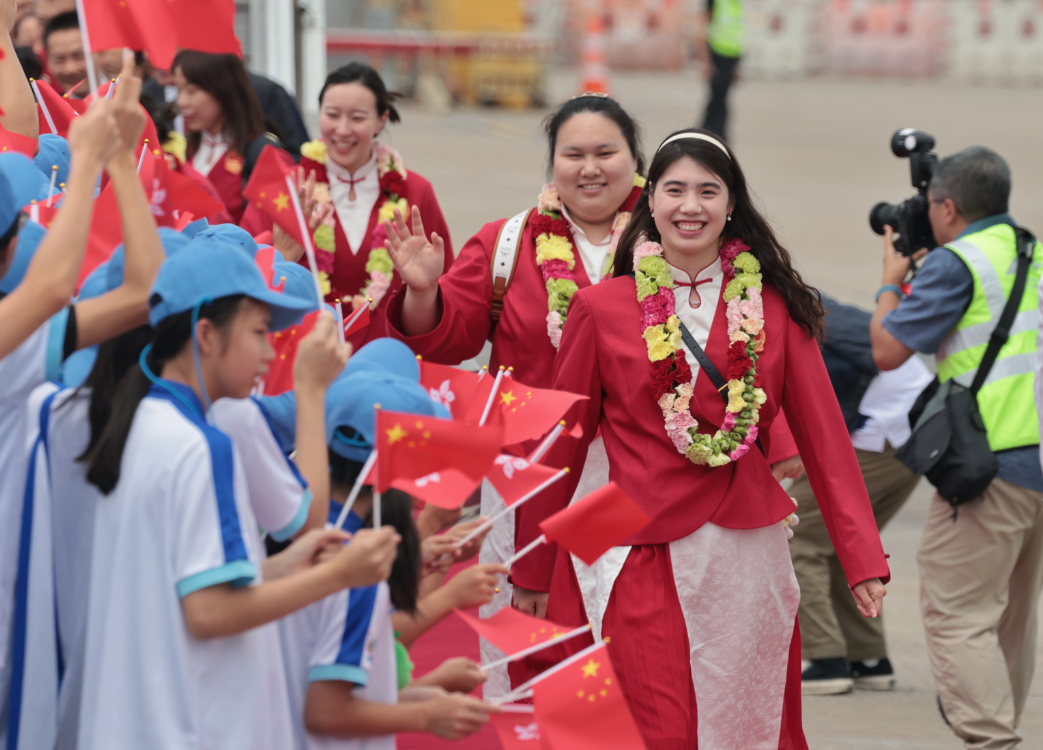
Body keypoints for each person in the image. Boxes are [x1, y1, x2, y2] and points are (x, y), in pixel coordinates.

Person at [510, 128, 889, 748]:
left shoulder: (774, 309)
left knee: (746, 721)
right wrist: (533, 566)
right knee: (657, 725)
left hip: (748, 552)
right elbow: (565, 444)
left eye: (708, 191)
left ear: (731, 203)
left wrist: (862, 559)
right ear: (649, 201)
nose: (691, 206)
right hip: (638, 547)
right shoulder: (601, 309)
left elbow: (826, 442)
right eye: (675, 189)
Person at [73, 238, 399, 750]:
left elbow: (178, 585)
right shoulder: (199, 446)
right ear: (205, 335)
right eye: (259, 332)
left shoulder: (140, 418)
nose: (272, 353)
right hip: (184, 725)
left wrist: (288, 563)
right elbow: (208, 613)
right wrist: (339, 575)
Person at [382, 93, 644, 697]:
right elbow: (448, 339)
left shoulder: (672, 239)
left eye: (606, 152)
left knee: (626, 641)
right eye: (572, 154)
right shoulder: (509, 242)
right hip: (529, 479)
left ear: (635, 159)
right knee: (527, 644)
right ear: (551, 165)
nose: (589, 168)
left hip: (637, 478)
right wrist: (423, 293)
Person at [871, 146, 1043, 750]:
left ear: (946, 207)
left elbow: (888, 352)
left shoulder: (960, 263)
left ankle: (993, 741)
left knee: (956, 613)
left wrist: (891, 284)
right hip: (1036, 467)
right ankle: (1001, 729)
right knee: (1011, 619)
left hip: (989, 466)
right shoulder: (1030, 252)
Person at [279, 338, 498, 749]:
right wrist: (426, 714)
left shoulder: (293, 537)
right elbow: (325, 711)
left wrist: (422, 693)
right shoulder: (356, 569)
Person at [242, 62, 453, 351]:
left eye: (357, 117)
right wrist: (280, 256)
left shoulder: (416, 193)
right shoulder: (286, 189)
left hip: (387, 361)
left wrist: (423, 290)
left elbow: (441, 303)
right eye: (332, 115)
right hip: (301, 357)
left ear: (381, 121)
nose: (342, 130)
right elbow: (244, 280)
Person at [793, 294, 933, 695]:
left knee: (799, 536)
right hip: (909, 432)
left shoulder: (786, 312)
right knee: (842, 544)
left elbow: (868, 360)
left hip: (883, 435)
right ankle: (868, 658)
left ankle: (826, 660)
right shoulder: (807, 303)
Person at [173, 50, 283, 223]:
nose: (181, 101)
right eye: (178, 90)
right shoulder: (188, 148)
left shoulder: (262, 152)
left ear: (223, 89)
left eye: (191, 91)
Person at [697, 0, 744, 141]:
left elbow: (735, 34)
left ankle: (714, 138)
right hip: (717, 56)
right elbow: (702, 27)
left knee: (721, 102)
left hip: (730, 58)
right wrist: (705, 60)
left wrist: (736, 66)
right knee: (717, 104)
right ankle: (712, 138)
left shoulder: (735, 3)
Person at [41, 10, 85, 97]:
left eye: (79, 57)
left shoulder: (117, 101)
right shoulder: (48, 110)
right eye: (59, 59)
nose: (70, 69)